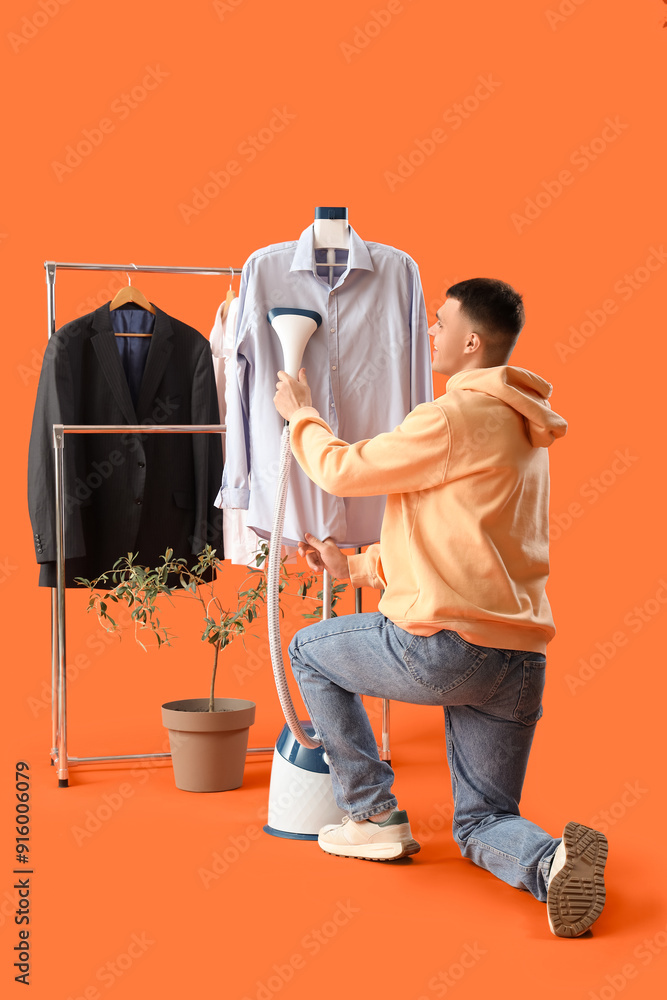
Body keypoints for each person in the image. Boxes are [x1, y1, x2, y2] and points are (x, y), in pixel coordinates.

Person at [273, 277, 607, 938]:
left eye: (439, 320)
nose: (431, 330)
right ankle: (552, 864)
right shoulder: (520, 426)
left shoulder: (452, 416)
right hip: (516, 659)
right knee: (481, 821)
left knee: (307, 650)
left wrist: (300, 415)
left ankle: (370, 818)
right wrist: (357, 565)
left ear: (471, 340)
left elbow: (342, 470)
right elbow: (458, 539)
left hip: (446, 646)